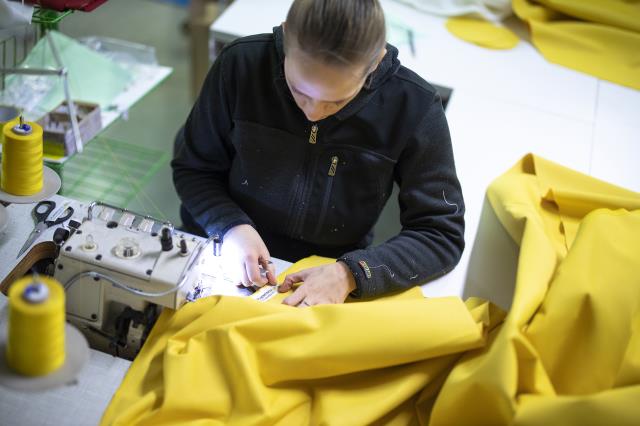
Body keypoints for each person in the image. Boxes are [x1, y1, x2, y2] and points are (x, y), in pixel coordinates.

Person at [172, 0, 465, 307]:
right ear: (286, 37)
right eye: (299, 91)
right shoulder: (240, 65)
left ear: (375, 62)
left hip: (328, 270)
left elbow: (440, 234)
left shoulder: (413, 107)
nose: (313, 114)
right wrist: (229, 226)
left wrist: (351, 273)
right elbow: (193, 168)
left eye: (336, 102)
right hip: (223, 245)